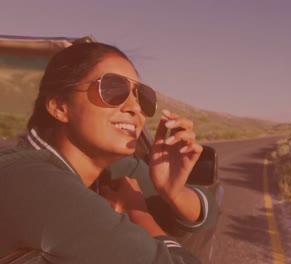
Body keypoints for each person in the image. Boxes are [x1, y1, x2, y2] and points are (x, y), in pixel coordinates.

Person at [0, 42, 213, 263]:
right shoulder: (31, 182)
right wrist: (139, 214)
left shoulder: (114, 169)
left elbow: (207, 213)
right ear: (60, 106)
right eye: (112, 89)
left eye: (140, 96)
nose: (135, 107)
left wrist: (174, 192)